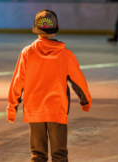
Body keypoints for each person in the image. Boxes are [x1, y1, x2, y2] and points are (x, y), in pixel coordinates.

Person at [7, 9, 92, 162]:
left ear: (36, 30)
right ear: (56, 28)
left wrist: (12, 107)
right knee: (59, 156)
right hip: (57, 110)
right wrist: (85, 102)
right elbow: (78, 81)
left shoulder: (26, 53)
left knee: (38, 155)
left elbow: (18, 81)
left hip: (34, 110)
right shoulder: (66, 55)